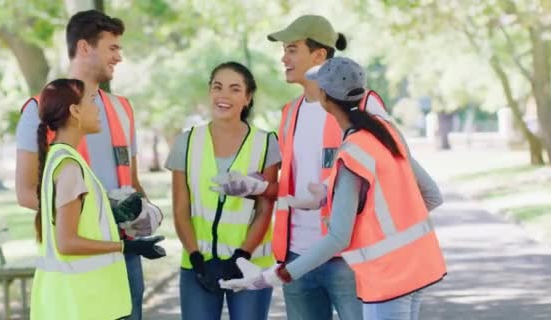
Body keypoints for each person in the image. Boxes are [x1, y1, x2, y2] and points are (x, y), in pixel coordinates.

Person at [220, 57, 447, 320]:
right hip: (418, 266)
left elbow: (337, 238)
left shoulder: (352, 153)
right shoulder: (387, 132)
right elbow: (431, 194)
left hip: (389, 276)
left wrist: (273, 276)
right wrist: (330, 194)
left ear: (325, 98)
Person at [210, 15, 366, 320]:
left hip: (347, 255)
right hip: (296, 255)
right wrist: (253, 185)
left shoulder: (360, 107)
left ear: (319, 55)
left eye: (292, 49)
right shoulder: (290, 112)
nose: (284, 58)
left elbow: (381, 173)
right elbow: (289, 182)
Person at [15, 10, 159, 320]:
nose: (119, 57)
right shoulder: (38, 110)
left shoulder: (122, 109)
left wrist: (146, 213)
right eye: (112, 48)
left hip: (125, 255)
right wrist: (97, 209)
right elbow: (27, 193)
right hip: (78, 263)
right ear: (84, 47)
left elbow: (132, 181)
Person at [30, 78, 165, 320]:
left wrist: (114, 214)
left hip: (78, 302)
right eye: (92, 102)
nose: (98, 108)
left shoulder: (61, 159)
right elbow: (67, 242)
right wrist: (127, 246)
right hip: (81, 304)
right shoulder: (70, 166)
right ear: (75, 111)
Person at [165, 61, 281, 320]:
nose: (224, 96)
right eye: (217, 87)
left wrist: (241, 256)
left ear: (247, 98)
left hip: (250, 265)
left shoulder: (266, 144)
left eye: (234, 89)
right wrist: (196, 258)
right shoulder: (187, 141)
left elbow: (264, 209)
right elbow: (181, 209)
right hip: (198, 266)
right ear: (209, 92)